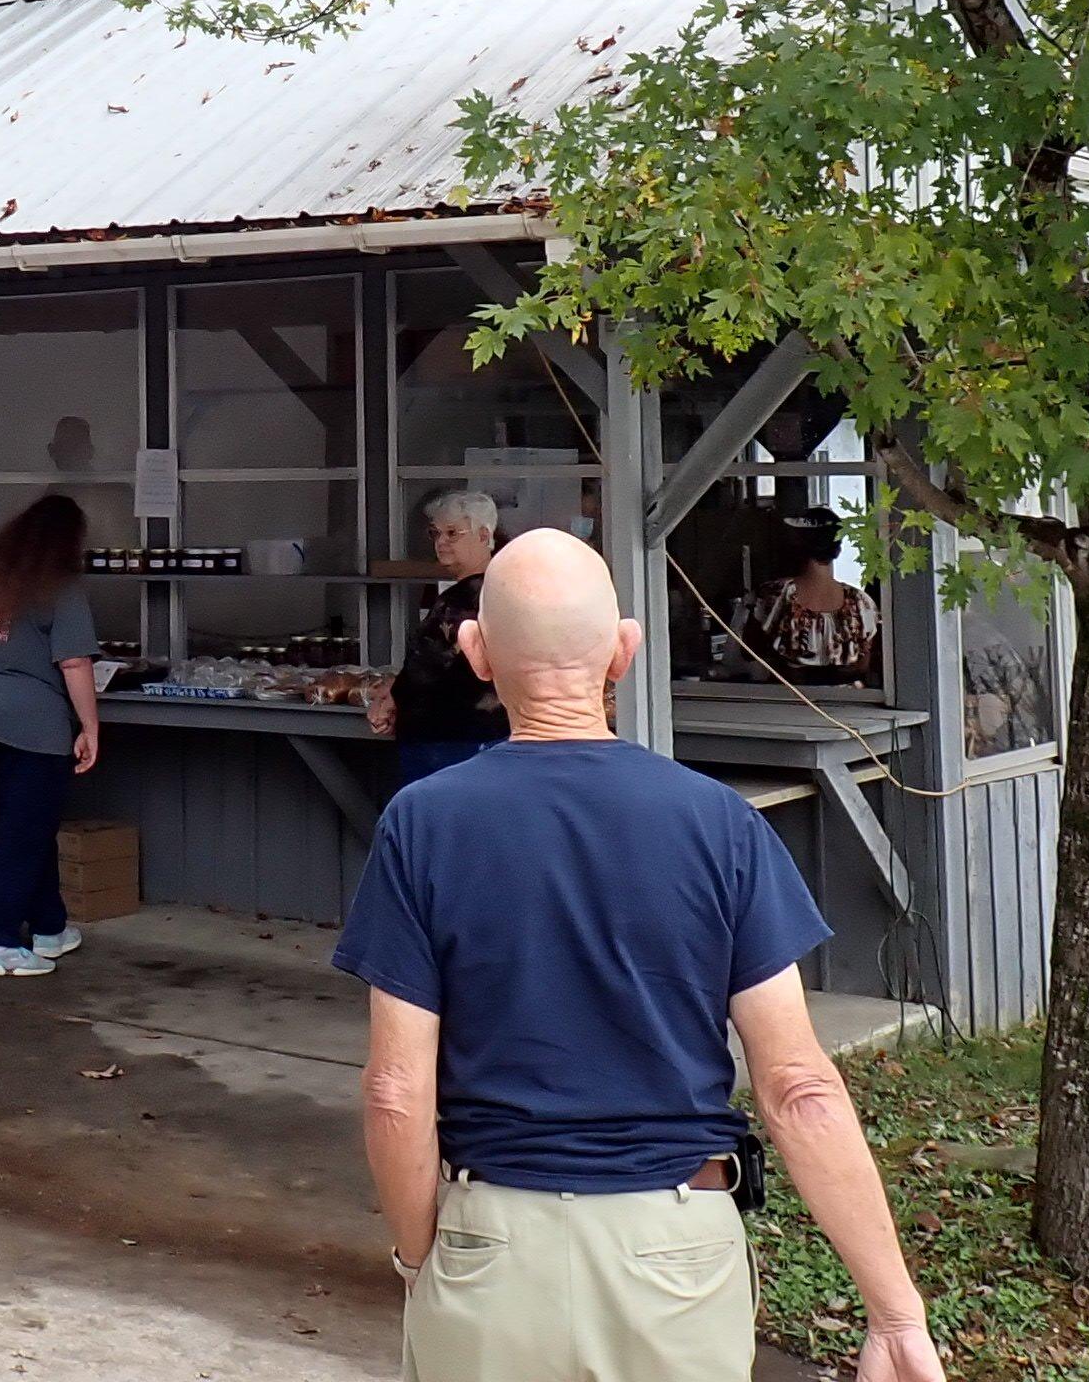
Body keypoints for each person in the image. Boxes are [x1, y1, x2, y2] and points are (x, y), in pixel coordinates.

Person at [338, 531, 944, 1382]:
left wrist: (420, 1258)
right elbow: (799, 1088)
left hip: (494, 1246)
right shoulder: (719, 824)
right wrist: (894, 1312)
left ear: (475, 652)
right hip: (678, 1253)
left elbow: (396, 1090)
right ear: (626, 647)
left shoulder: (421, 824)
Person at [0, 492, 104, 978]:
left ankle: (50, 927)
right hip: (35, 725)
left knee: (18, 830)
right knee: (25, 835)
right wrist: (91, 726)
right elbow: (75, 661)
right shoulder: (60, 587)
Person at [366, 489, 506, 788]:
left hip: (451, 742)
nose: (441, 542)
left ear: (483, 536)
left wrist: (391, 697)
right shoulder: (503, 586)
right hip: (485, 736)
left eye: (453, 533)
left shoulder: (463, 599)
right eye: (436, 533)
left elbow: (428, 670)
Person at [719, 511, 882, 689]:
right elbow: (864, 665)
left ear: (796, 547)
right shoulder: (862, 603)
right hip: (850, 707)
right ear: (838, 549)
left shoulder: (770, 597)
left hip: (786, 704)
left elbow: (748, 653)